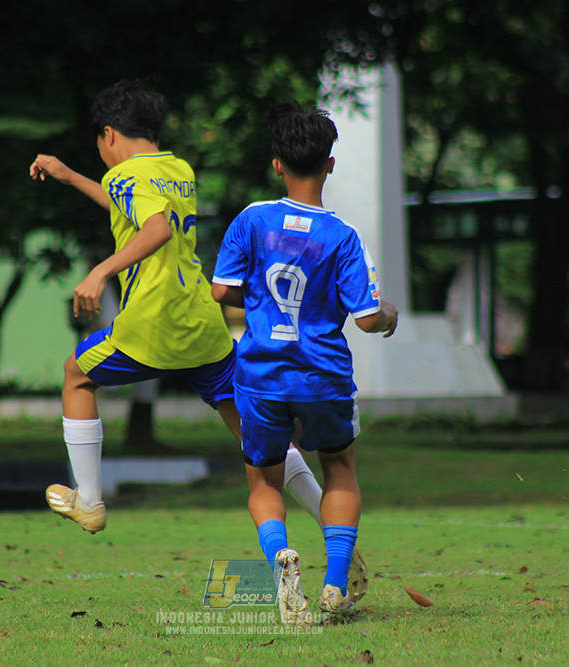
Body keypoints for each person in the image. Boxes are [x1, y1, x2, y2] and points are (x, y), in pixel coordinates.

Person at [28, 81, 367, 601]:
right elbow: (132, 211)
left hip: (150, 327)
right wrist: (72, 176)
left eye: (98, 148)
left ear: (109, 135)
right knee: (259, 442)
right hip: (203, 328)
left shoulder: (123, 175)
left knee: (77, 375)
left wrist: (100, 272)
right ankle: (333, 526)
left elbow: (155, 228)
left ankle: (90, 501)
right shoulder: (177, 169)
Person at [211, 103, 398, 625]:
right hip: (323, 376)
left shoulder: (251, 220)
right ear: (330, 165)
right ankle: (335, 584)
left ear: (277, 165)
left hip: (262, 376)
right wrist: (390, 316)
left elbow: (220, 290)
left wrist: (258, 302)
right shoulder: (343, 237)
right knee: (338, 467)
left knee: (264, 480)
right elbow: (365, 320)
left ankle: (281, 561)